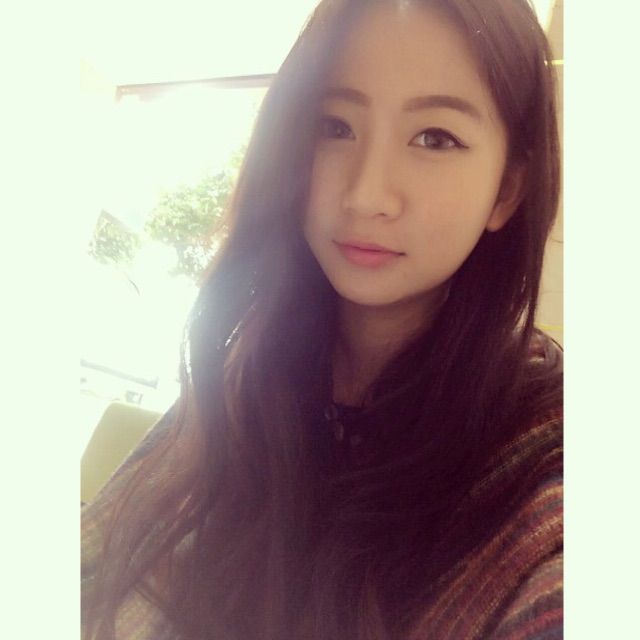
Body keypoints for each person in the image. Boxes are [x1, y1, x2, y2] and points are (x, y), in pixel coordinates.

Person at [82, 0, 563, 638]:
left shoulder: (549, 461)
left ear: (506, 190)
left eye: (435, 138)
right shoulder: (244, 376)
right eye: (334, 126)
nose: (365, 195)